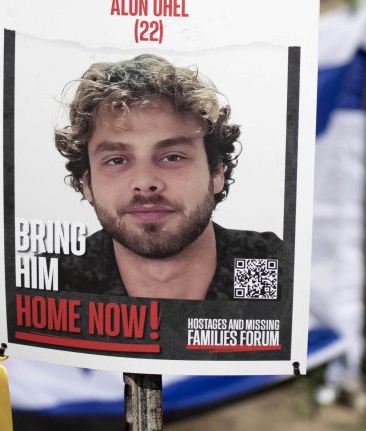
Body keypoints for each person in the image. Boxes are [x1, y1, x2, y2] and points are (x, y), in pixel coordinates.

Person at [53, 54, 283, 300]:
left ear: (217, 172)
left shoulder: (276, 267)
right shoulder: (55, 282)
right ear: (87, 183)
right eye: (117, 160)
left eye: (172, 157)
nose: (144, 183)